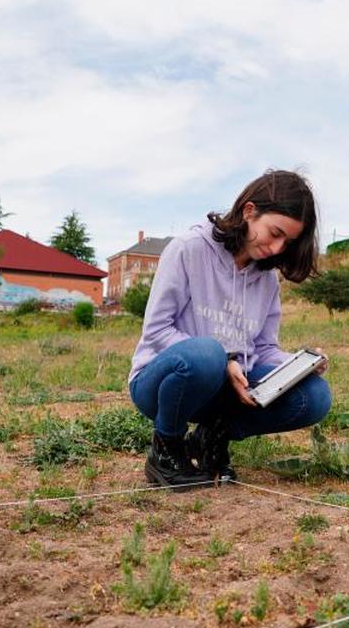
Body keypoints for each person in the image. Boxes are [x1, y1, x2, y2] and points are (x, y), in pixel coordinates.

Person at [129, 170, 332, 490]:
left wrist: (297, 366)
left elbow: (263, 347)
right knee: (207, 353)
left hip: (224, 394)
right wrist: (224, 359)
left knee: (314, 397)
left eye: (288, 241)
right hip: (163, 383)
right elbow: (157, 329)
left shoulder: (266, 279)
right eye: (275, 232)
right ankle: (166, 450)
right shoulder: (188, 249)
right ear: (249, 212)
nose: (278, 248)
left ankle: (211, 438)